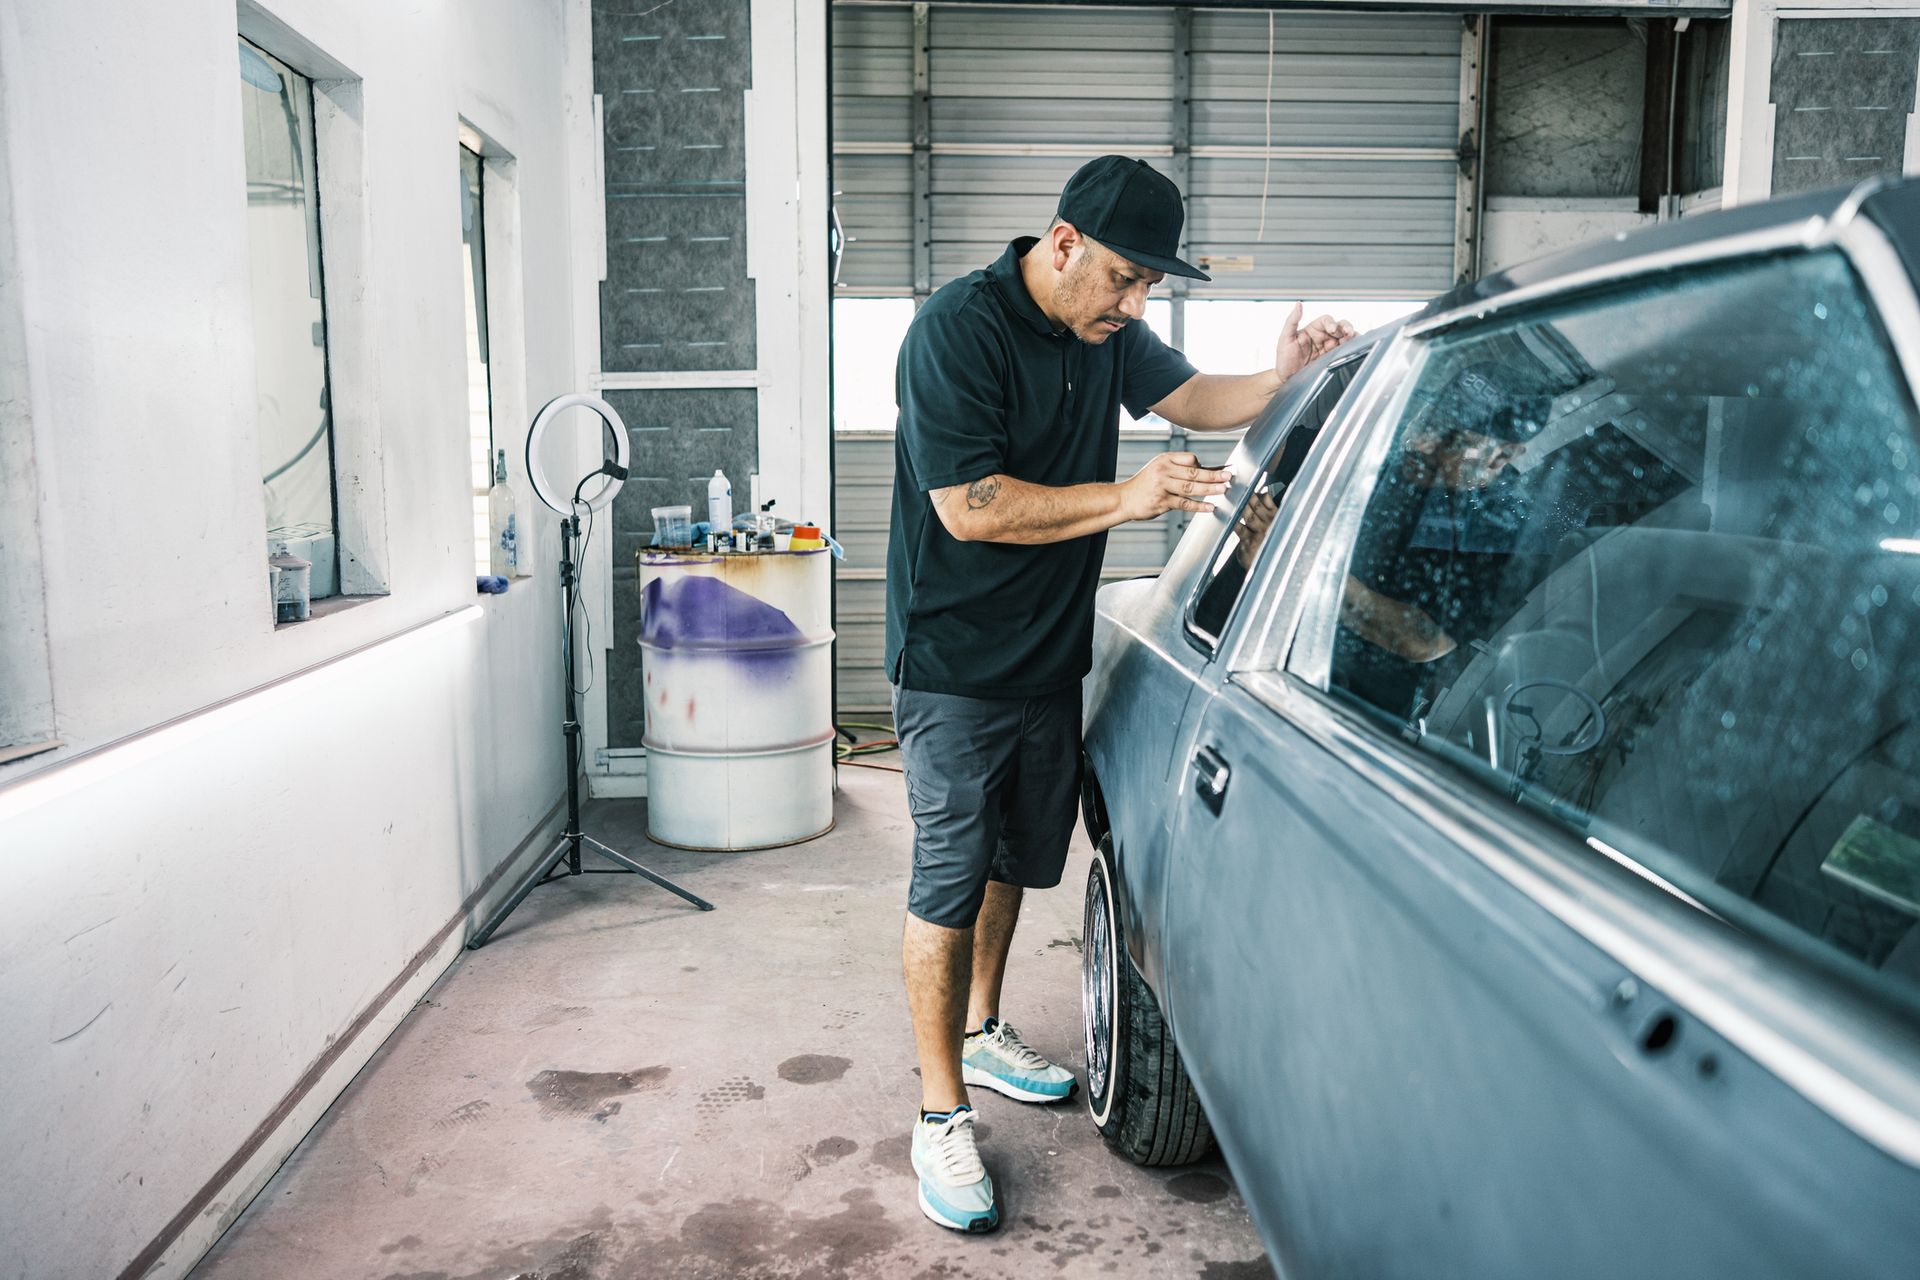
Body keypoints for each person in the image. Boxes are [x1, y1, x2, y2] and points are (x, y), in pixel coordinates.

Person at [885, 154, 1354, 1233]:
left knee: (1018, 856)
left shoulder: (1107, 332)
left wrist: (1279, 376)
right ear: (1063, 245)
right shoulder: (956, 330)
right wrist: (1134, 494)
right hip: (955, 661)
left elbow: (1193, 398)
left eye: (1150, 286)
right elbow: (970, 506)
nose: (1136, 303)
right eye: (1125, 279)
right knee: (949, 870)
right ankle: (937, 1106)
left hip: (1049, 656)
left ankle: (983, 1027)